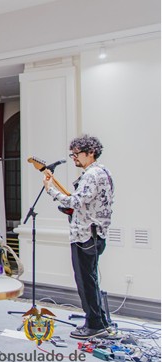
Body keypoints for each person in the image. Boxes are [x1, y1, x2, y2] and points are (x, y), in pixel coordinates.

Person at [44, 135, 114, 340]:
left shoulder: (92, 174)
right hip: (94, 234)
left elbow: (76, 201)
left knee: (86, 282)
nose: (74, 157)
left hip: (86, 236)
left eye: (77, 153)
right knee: (91, 280)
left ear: (90, 152)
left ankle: (94, 325)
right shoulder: (103, 172)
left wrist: (51, 190)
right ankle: (100, 320)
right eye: (72, 154)